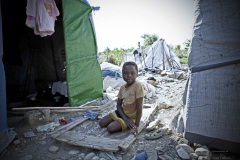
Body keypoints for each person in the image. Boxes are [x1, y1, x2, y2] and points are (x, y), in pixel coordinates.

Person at [99, 61, 144, 135]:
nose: (129, 75)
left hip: (133, 117)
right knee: (101, 123)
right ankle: (120, 120)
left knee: (110, 128)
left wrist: (136, 125)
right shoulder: (122, 88)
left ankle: (120, 122)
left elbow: (140, 108)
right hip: (123, 113)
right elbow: (118, 105)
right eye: (126, 73)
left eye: (132, 73)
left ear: (137, 74)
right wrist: (125, 118)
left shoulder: (138, 86)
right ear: (122, 74)